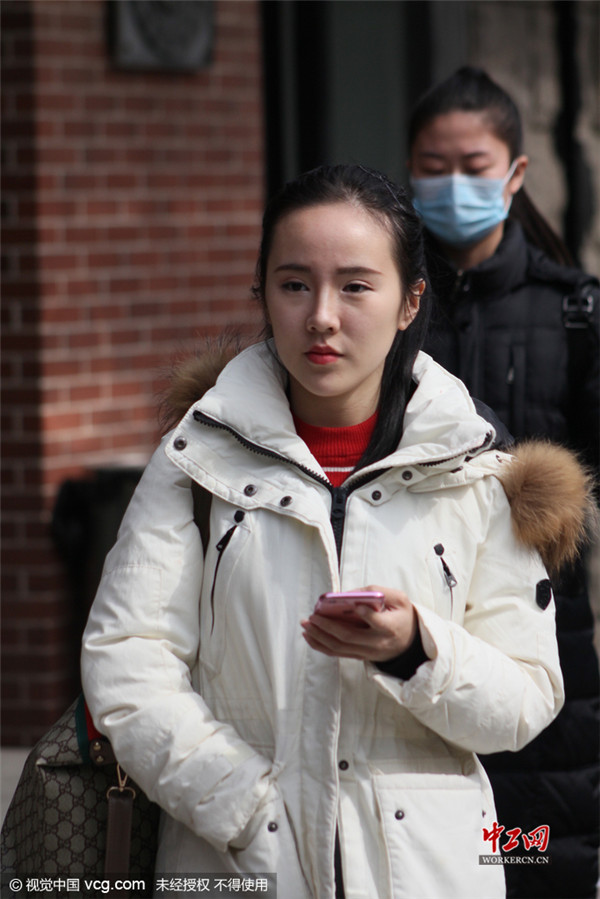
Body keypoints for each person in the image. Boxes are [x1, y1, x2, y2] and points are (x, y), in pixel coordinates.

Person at [81, 163, 592, 898]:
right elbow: (127, 661)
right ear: (262, 292)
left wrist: (417, 648)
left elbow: (526, 696)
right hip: (235, 863)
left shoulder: (476, 469)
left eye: (355, 286)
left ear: (410, 301)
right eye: (294, 285)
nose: (321, 316)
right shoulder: (197, 458)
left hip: (425, 874)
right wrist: (247, 808)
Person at [408, 66, 600, 899]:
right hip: (410, 620)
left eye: (473, 166)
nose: (452, 184)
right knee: (419, 860)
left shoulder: (574, 310)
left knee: (530, 859)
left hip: (541, 632)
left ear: (515, 173)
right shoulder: (384, 303)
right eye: (433, 167)